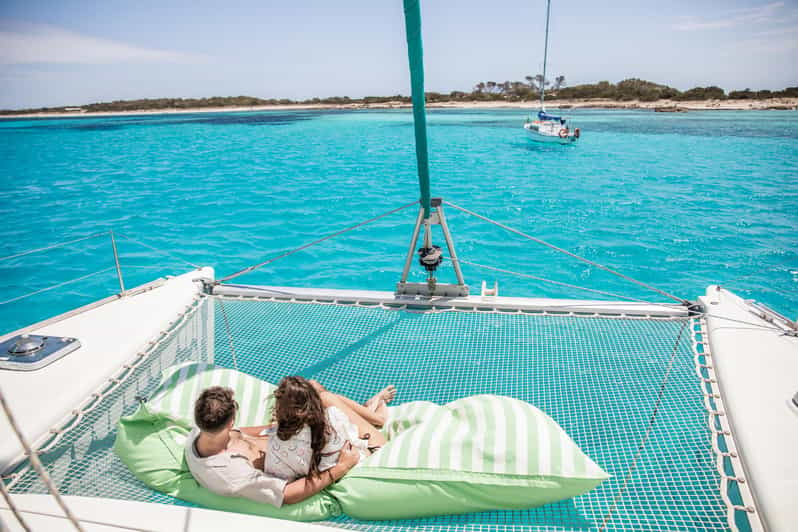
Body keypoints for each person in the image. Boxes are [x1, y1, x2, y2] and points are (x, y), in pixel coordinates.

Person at [185, 381, 396, 507]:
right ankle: (376, 418)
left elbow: (242, 433)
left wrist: (282, 423)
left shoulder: (204, 428)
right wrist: (341, 467)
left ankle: (370, 413)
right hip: (311, 451)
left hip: (287, 439)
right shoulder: (232, 473)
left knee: (313, 389)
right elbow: (287, 495)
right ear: (231, 419)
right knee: (327, 399)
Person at [264, 377, 396, 483]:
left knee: (320, 391)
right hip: (371, 456)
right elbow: (356, 438)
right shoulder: (332, 417)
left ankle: (367, 409)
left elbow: (284, 480)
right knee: (325, 396)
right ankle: (375, 413)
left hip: (338, 474)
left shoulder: (276, 445)